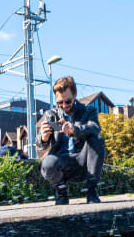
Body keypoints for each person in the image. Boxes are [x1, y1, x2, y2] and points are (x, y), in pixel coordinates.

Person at [37, 76, 106, 205]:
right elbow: (40, 145)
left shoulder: (88, 111)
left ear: (75, 95)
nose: (64, 105)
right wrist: (43, 137)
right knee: (47, 163)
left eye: (67, 101)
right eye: (60, 102)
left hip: (84, 162)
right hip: (62, 163)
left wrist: (75, 129)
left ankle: (92, 192)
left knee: (97, 139)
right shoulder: (52, 115)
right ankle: (62, 193)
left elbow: (95, 128)